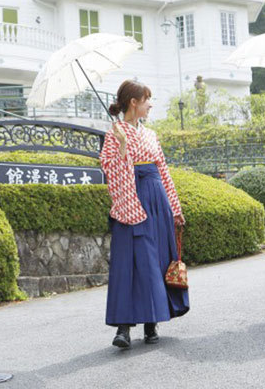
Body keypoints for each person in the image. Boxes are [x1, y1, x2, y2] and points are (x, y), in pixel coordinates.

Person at [100, 79, 189, 348]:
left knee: (158, 259)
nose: (150, 104)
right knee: (128, 262)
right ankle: (123, 327)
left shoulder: (150, 134)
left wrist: (175, 207)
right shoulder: (114, 133)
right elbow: (109, 170)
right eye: (147, 99)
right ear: (133, 102)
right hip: (129, 198)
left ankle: (152, 322)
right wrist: (124, 146)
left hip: (156, 197)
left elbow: (163, 171)